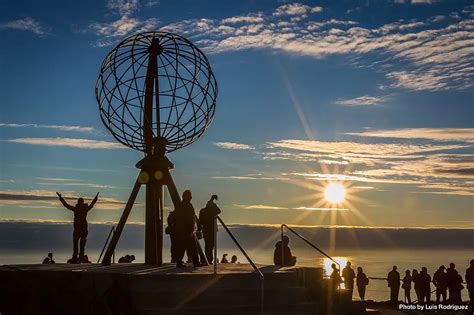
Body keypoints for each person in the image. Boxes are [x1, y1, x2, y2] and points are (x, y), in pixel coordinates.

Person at [57, 192, 99, 264]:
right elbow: (92, 204)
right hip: (81, 230)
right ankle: (78, 258)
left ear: (80, 202)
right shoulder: (83, 209)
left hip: (79, 230)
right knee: (79, 246)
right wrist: (96, 198)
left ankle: (77, 258)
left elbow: (66, 205)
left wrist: (61, 198)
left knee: (78, 245)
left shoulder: (78, 209)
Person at [174, 190, 200, 268]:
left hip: (183, 230)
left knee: (183, 247)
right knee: (192, 247)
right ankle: (196, 262)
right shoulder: (188, 206)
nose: (191, 197)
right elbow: (190, 219)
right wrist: (191, 229)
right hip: (187, 230)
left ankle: (180, 262)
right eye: (190, 196)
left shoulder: (181, 206)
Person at [198, 195, 221, 264]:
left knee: (210, 245)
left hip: (210, 230)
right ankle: (208, 259)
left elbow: (219, 211)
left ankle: (209, 259)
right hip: (208, 230)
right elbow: (218, 211)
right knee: (209, 245)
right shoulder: (205, 211)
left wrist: (212, 203)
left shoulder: (208, 211)